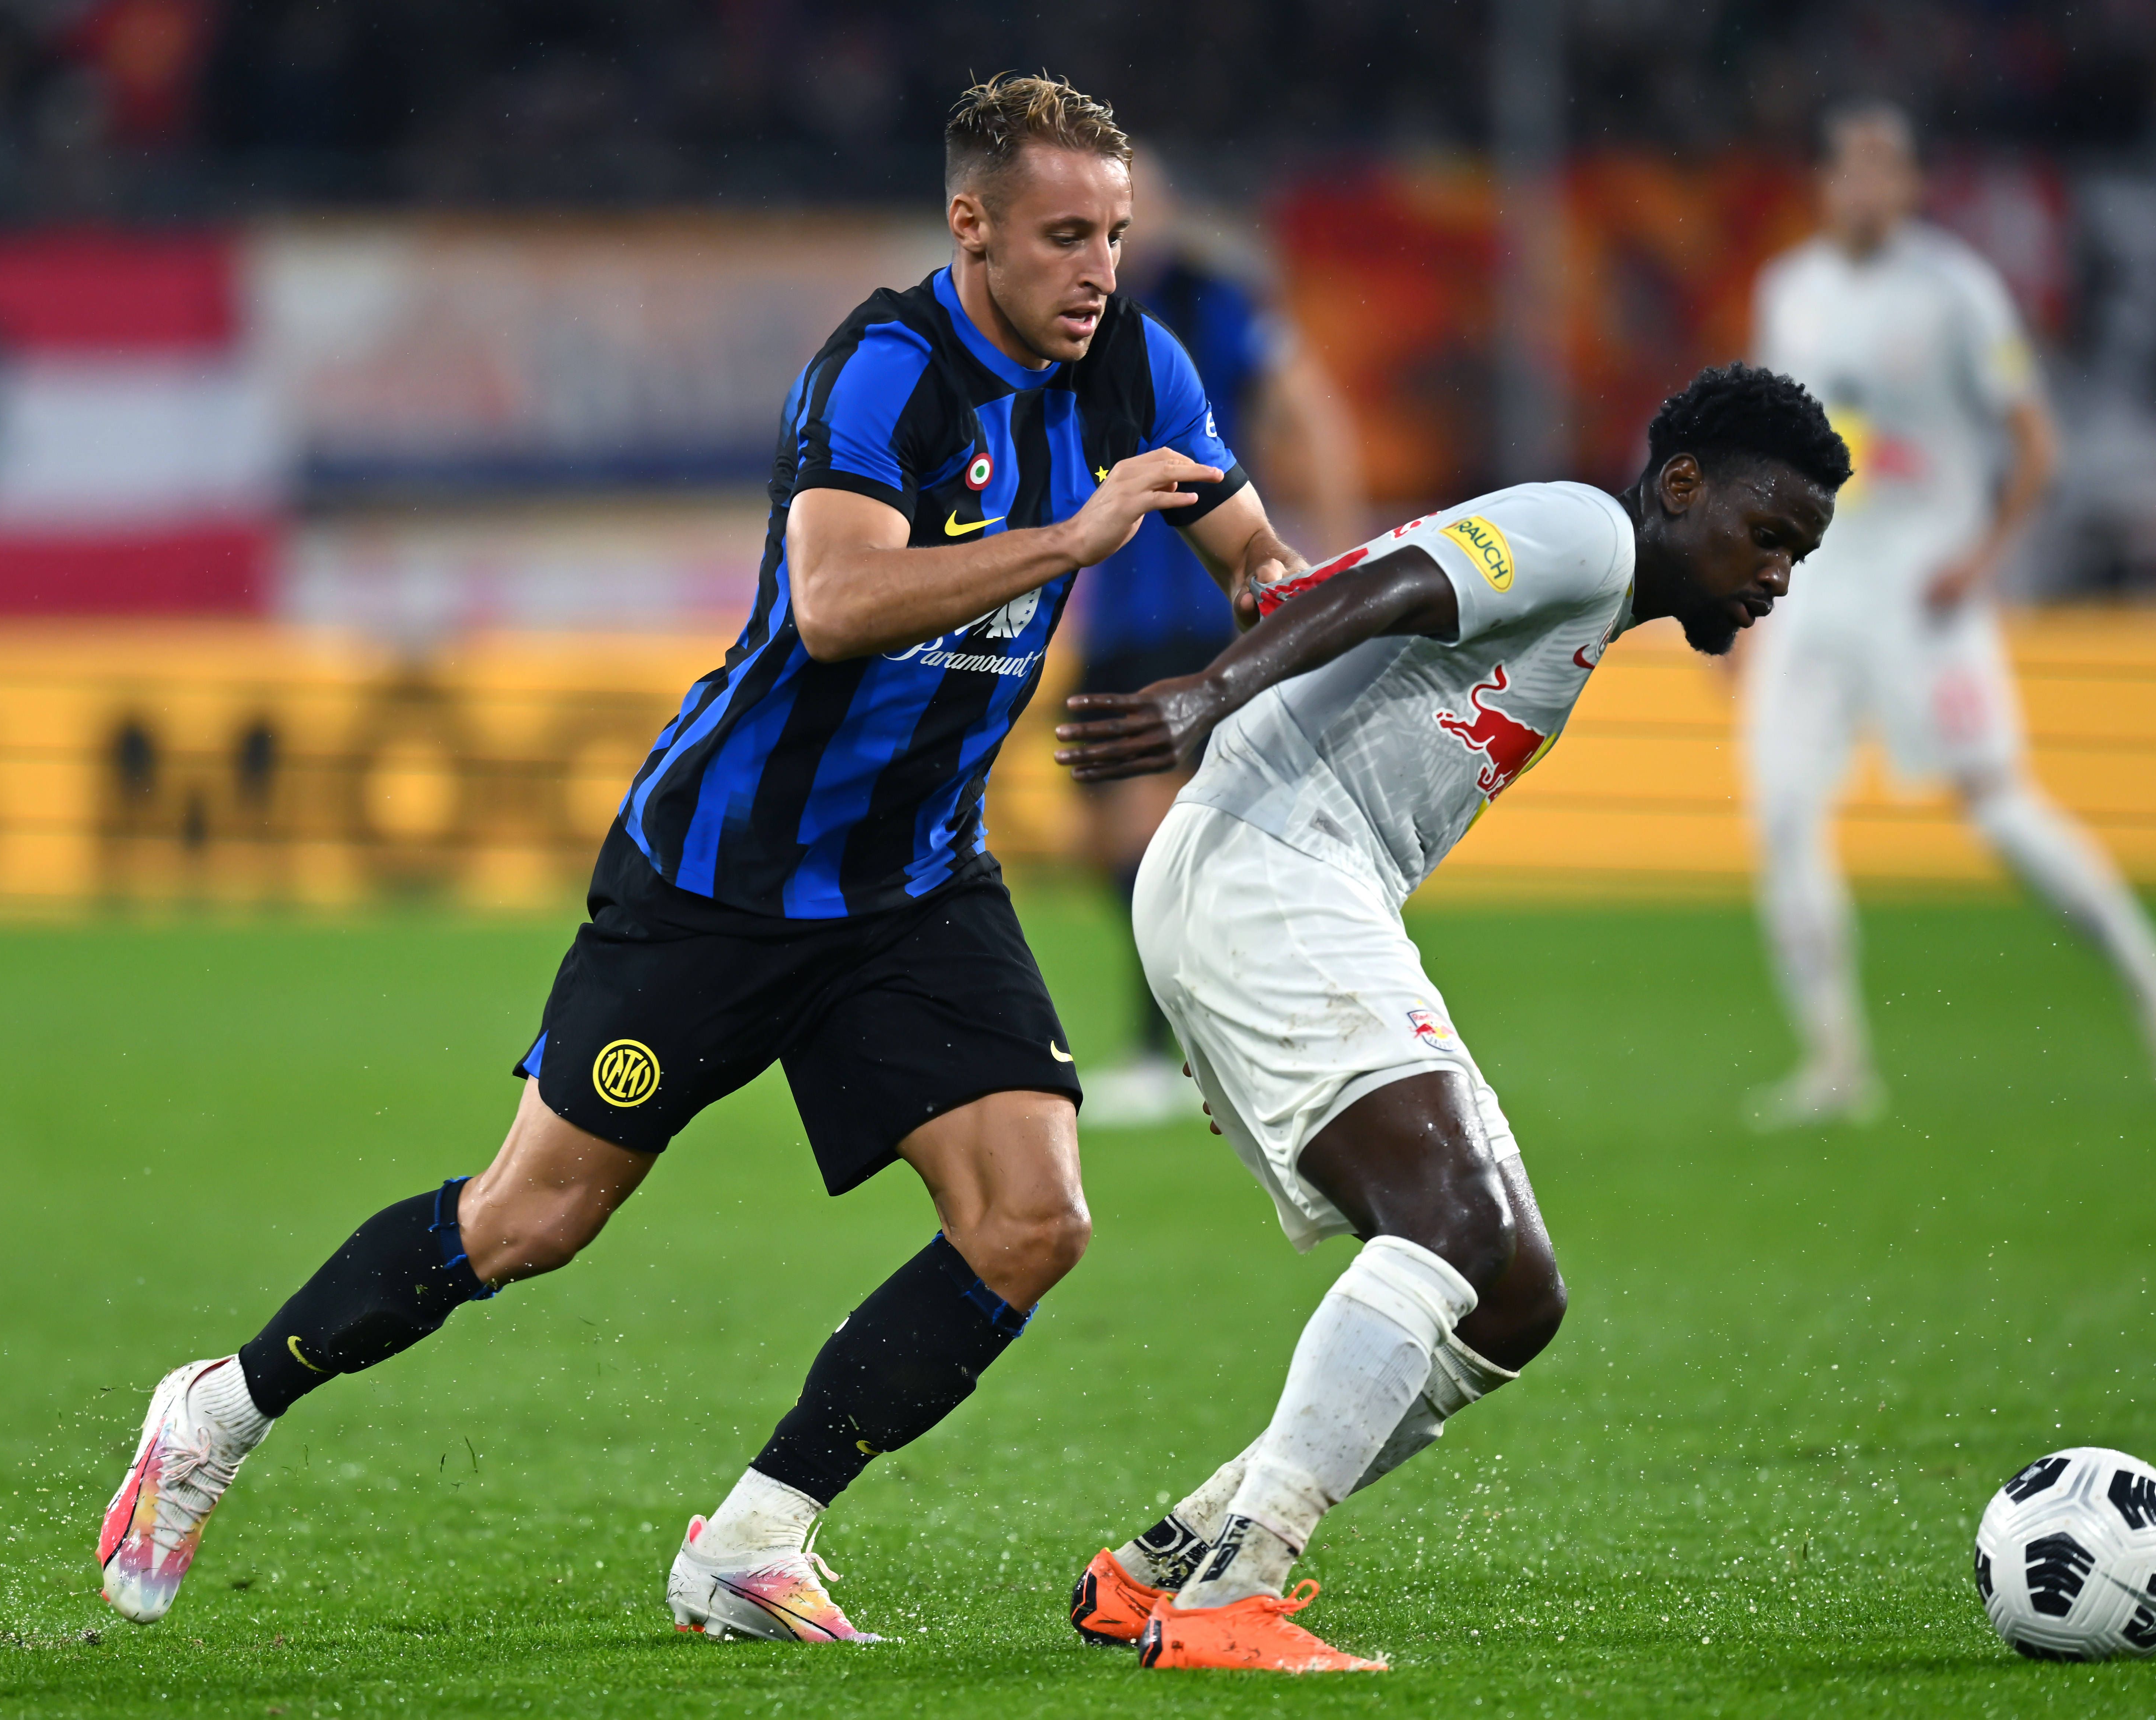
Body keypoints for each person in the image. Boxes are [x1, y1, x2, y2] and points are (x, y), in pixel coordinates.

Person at [92, 72, 1312, 1642]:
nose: (1099, 270)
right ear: (972, 226)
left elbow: (1250, 549)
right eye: (1064, 237)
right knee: (528, 1223)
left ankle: (755, 1535)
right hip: (722, 877)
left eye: (1117, 234)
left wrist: (1310, 600)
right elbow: (837, 603)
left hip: (915, 880)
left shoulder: (1140, 365)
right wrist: (1071, 541)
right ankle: (219, 1408)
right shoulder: (880, 371)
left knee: (1032, 1218)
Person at [1052, 364, 1849, 1672]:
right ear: (1681, 486)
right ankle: (1235, 1595)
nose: (1773, 578)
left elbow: (1383, 599)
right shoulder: (1586, 532)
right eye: (1765, 535)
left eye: (1796, 557)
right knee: (1454, 1229)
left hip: (1289, 888)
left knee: (1513, 1296)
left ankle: (1167, 1563)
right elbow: (1399, 585)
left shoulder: (1589, 601)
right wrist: (1212, 691)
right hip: (1270, 866)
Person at [1744, 101, 2156, 1130]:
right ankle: (1836, 1064)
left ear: (1913, 185)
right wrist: (1738, 593)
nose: (1867, 186)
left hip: (1926, 595)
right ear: (1823, 183)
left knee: (2000, 812)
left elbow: (2036, 443)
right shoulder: (1789, 292)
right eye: (1850, 167)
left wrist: (1979, 560)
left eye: (1886, 167)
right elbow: (1768, 456)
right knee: (1782, 815)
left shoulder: (1956, 292)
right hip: (1815, 594)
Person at [1070, 156, 1365, 1126]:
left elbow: (1306, 406)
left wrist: (1338, 553)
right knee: (1109, 842)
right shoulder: (1072, 313)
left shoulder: (1215, 300)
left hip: (1199, 609)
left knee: (1154, 836)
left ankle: (1171, 1054)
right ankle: (1224, 1036)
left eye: (1136, 207)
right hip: (1115, 613)